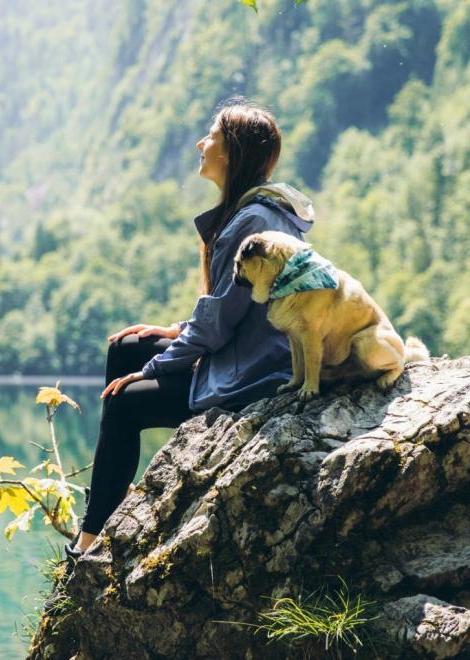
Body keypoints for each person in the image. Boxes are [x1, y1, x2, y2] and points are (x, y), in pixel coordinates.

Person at [66, 97, 315, 563]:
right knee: (127, 348)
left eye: (212, 136)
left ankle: (91, 539)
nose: (202, 143)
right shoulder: (261, 210)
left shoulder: (252, 221)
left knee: (122, 401)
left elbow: (219, 326)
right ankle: (110, 502)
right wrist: (174, 332)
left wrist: (154, 368)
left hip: (250, 379)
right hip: (246, 355)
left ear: (233, 152)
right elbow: (232, 307)